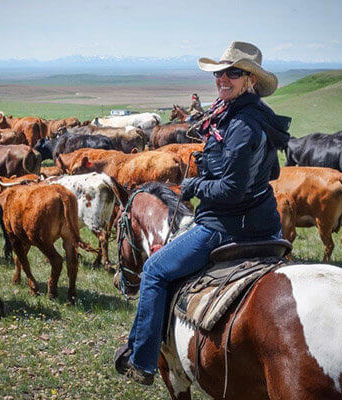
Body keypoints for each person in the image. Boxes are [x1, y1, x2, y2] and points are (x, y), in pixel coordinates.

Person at [114, 41, 291, 385]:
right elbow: (272, 174)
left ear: (249, 81)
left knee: (153, 270)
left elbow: (230, 190)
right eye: (220, 73)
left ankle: (143, 360)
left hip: (227, 226)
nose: (223, 79)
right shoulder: (252, 118)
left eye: (233, 73)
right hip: (264, 224)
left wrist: (196, 187)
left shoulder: (241, 125)